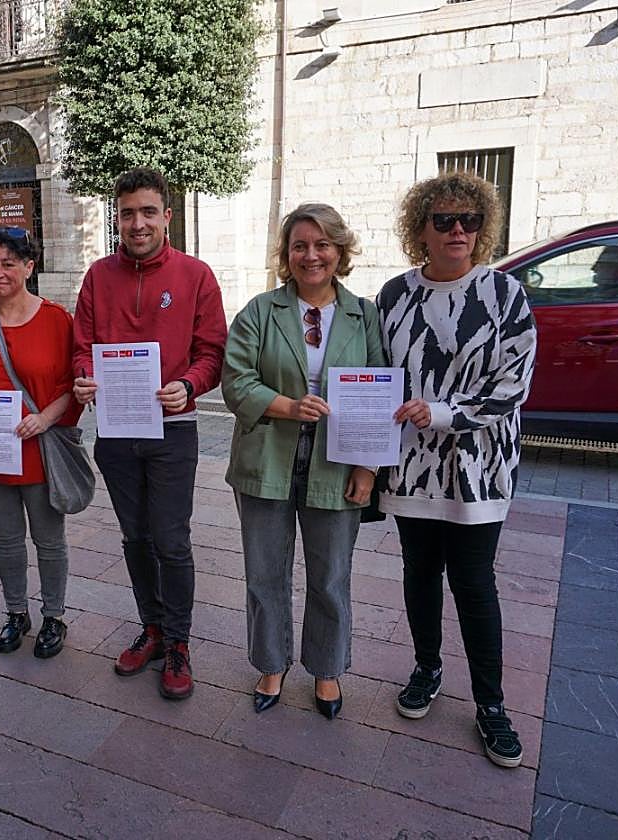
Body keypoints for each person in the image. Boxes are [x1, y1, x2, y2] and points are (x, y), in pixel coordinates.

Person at [378, 171, 537, 768]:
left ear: (483, 228)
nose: (457, 231)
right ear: (420, 228)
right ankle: (426, 668)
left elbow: (512, 388)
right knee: (419, 571)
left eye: (468, 221)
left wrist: (441, 412)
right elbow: (376, 372)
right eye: (443, 220)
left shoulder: (505, 296)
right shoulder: (393, 296)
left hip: (478, 467)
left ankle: (491, 705)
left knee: (473, 582)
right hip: (412, 468)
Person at [222, 203, 384, 718]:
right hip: (267, 454)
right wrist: (289, 406)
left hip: (337, 461)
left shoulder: (365, 315)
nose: (311, 256)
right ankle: (272, 663)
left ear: (340, 250)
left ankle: (327, 669)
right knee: (264, 572)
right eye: (299, 246)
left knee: (331, 573)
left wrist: (369, 466)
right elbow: (236, 380)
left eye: (322, 245)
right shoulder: (259, 311)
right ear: (286, 254)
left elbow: (380, 389)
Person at [72, 166, 227, 700]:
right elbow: (81, 345)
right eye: (127, 213)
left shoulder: (196, 276)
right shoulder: (98, 276)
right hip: (115, 430)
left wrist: (189, 384)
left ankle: (179, 641)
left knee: (171, 539)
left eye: (147, 212)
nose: (137, 223)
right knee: (136, 537)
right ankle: (153, 627)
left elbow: (213, 353)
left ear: (167, 215)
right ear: (118, 216)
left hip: (172, 430)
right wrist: (82, 377)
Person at [0, 227, 82, 658]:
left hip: (40, 454)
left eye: (8, 263)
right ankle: (15, 613)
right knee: (6, 540)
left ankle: (54, 615)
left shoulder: (57, 320)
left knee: (48, 540)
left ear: (29, 266)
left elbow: (73, 384)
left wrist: (43, 419)